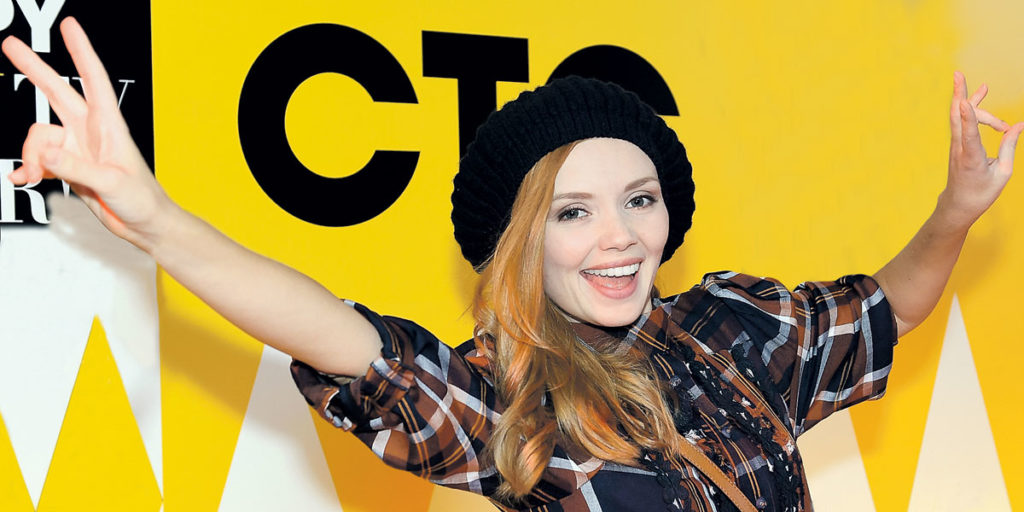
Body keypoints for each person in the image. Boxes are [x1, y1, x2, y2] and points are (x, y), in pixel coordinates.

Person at [4, 17, 1022, 512]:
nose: (618, 237)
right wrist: (156, 221)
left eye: (639, 199)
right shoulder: (508, 399)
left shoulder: (731, 326)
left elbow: (887, 310)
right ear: (522, 242)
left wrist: (955, 211)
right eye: (573, 212)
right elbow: (343, 339)